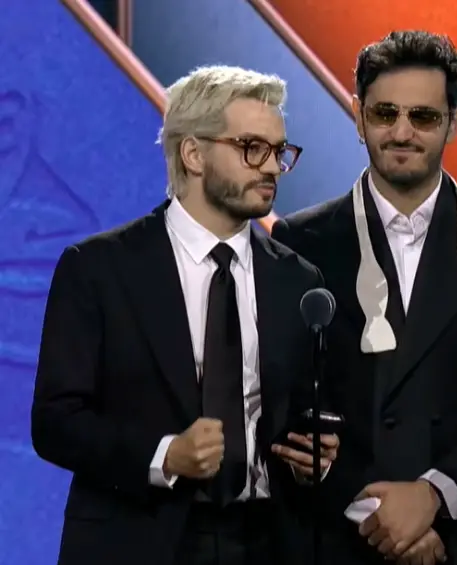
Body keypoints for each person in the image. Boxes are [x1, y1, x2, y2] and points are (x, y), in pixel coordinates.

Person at [31, 65, 339, 565]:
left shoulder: (299, 281)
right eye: (251, 148)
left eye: (279, 152)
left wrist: (315, 456)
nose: (271, 168)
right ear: (193, 154)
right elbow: (55, 422)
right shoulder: (100, 270)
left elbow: (306, 415)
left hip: (267, 542)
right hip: (137, 541)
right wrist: (164, 455)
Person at [271, 30, 457, 565]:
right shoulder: (299, 241)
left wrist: (433, 495)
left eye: (423, 117)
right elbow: (288, 404)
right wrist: (382, 517)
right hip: (344, 539)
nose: (402, 132)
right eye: (384, 114)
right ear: (358, 118)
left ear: (455, 120)